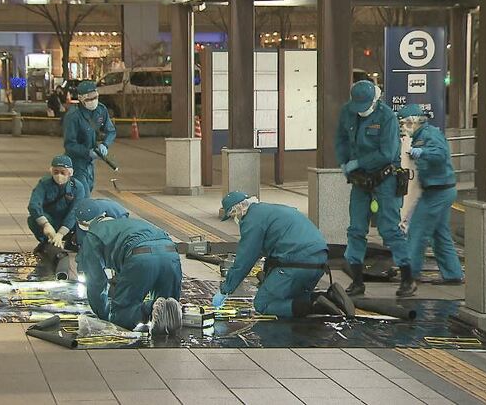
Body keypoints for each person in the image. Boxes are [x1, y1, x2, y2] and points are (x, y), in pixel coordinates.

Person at [212, 192, 354, 318]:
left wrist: (226, 289)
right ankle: (330, 296)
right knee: (293, 298)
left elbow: (245, 259)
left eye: (232, 214)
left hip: (297, 262)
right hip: (320, 259)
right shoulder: (270, 211)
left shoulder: (252, 220)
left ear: (237, 209)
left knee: (263, 303)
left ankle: (316, 305)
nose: (234, 218)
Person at [335, 80, 414, 297]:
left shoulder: (386, 116)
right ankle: (357, 281)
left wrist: (359, 162)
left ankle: (408, 279)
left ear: (375, 100)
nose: (361, 111)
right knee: (356, 230)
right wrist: (344, 162)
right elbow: (341, 139)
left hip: (385, 178)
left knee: (389, 229)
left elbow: (387, 153)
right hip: (361, 181)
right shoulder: (348, 112)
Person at [75, 211, 183, 335]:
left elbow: (96, 282)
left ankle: (152, 307)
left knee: (121, 317)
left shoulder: (93, 235)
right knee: (168, 309)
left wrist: (105, 316)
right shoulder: (131, 223)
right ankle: (165, 307)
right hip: (171, 253)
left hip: (141, 258)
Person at [398, 105, 463, 285]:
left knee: (417, 231)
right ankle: (453, 275)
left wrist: (423, 152)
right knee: (439, 234)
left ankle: (410, 274)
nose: (403, 127)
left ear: (414, 121)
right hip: (440, 189)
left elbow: (440, 154)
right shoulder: (421, 136)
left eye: (404, 123)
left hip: (437, 192)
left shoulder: (429, 135)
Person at [28, 155, 88, 254]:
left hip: (69, 222)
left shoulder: (78, 187)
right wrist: (45, 224)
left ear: (70, 173)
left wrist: (61, 233)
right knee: (33, 219)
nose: (59, 175)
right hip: (50, 219)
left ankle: (71, 242)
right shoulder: (44, 183)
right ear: (51, 171)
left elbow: (75, 211)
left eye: (63, 172)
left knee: (81, 222)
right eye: (56, 172)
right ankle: (46, 242)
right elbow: (34, 205)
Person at [64, 80, 116, 193]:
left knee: (89, 186)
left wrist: (105, 145)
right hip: (76, 162)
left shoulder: (101, 110)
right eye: (89, 98)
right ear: (81, 98)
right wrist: (87, 152)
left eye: (95, 96)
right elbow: (69, 144)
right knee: (82, 191)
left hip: (90, 163)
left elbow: (111, 131)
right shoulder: (73, 116)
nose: (93, 101)